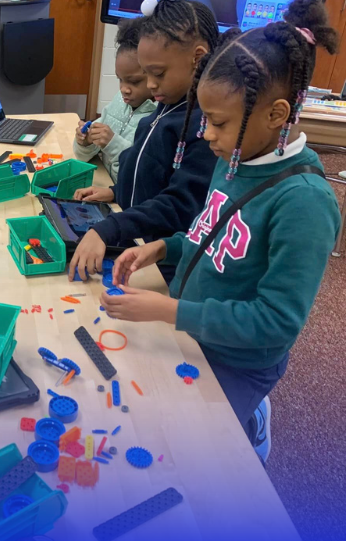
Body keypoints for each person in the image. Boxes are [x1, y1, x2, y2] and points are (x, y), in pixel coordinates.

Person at [102, 0, 340, 463]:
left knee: (189, 457)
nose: (206, 134)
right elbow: (208, 238)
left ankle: (251, 419)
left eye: (218, 122)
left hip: (239, 363)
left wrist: (170, 310)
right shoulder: (235, 158)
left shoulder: (305, 204)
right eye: (205, 119)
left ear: (276, 115)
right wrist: (163, 247)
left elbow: (275, 322)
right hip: (197, 329)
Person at [69, 0, 220, 284]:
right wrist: (116, 191)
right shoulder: (168, 103)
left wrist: (110, 227)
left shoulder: (206, 126)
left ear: (197, 58)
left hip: (167, 266)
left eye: (158, 73)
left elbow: (180, 203)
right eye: (147, 73)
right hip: (138, 237)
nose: (150, 85)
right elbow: (153, 172)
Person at [73, 17, 157, 183]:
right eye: (120, 79)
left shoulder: (157, 117)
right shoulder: (119, 101)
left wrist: (112, 144)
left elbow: (142, 175)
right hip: (104, 185)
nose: (123, 89)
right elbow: (82, 157)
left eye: (134, 82)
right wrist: (85, 143)